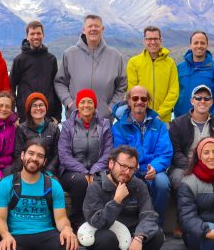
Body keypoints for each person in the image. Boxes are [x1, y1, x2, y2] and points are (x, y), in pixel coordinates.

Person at [0, 140, 78, 250]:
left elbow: (60, 219)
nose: (34, 158)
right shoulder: (7, 184)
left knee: (70, 244)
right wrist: (5, 235)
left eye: (40, 156)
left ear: (45, 161)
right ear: (22, 155)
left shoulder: (52, 185)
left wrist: (67, 229)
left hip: (45, 233)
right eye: (31, 153)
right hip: (18, 235)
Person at [83, 145, 164, 250]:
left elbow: (149, 214)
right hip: (104, 239)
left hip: (130, 238)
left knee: (157, 235)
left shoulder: (138, 185)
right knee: (107, 238)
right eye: (123, 166)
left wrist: (139, 237)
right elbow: (96, 222)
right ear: (111, 164)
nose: (127, 171)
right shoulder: (95, 187)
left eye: (131, 168)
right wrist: (116, 201)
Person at [167, 85, 214, 222]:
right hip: (185, 165)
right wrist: (191, 167)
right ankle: (182, 221)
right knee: (178, 179)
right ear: (192, 101)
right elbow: (174, 151)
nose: (202, 101)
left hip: (213, 163)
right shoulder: (177, 124)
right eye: (198, 98)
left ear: (211, 102)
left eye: (206, 98)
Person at [111, 86, 173, 226]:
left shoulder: (159, 125)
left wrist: (155, 168)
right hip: (130, 169)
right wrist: (132, 167)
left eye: (143, 98)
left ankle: (156, 223)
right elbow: (119, 152)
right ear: (128, 101)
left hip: (152, 169)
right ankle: (129, 225)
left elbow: (165, 152)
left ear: (148, 101)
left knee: (162, 183)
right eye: (135, 98)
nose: (139, 101)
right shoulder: (119, 127)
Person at [54, 14, 126, 120]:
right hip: (75, 118)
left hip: (104, 120)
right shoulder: (69, 54)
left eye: (96, 26)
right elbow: (60, 82)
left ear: (102, 29)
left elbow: (122, 86)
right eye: (90, 26)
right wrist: (69, 103)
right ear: (84, 30)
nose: (93, 29)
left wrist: (111, 107)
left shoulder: (115, 56)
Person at [57, 89, 113, 225]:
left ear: (94, 105)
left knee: (102, 181)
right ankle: (78, 219)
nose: (86, 105)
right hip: (72, 171)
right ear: (77, 105)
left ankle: (101, 218)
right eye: (82, 102)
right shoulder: (67, 126)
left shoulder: (104, 125)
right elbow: (64, 155)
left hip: (98, 169)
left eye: (90, 102)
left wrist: (94, 170)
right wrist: (83, 170)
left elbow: (108, 151)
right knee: (80, 181)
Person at [10, 20, 62, 123]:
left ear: (43, 35)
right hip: (25, 117)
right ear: (27, 36)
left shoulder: (51, 59)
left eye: (38, 33)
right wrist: (13, 115)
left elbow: (56, 87)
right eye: (32, 34)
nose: (36, 36)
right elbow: (11, 87)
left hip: (47, 116)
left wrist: (57, 116)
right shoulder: (19, 60)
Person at [126, 26, 179, 122]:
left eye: (155, 39)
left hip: (163, 120)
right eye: (149, 39)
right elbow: (132, 91)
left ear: (161, 40)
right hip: (140, 118)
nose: (153, 42)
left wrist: (159, 114)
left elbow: (173, 92)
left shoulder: (170, 63)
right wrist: (144, 113)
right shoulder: (134, 63)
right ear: (144, 41)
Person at [174, 31, 214, 119]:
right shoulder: (179, 68)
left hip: (207, 122)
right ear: (190, 45)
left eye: (202, 43)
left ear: (207, 45)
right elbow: (172, 93)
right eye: (196, 43)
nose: (199, 46)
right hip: (181, 121)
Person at [11, 92, 60, 175]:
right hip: (28, 168)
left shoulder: (54, 128)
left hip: (49, 170)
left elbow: (57, 153)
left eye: (41, 105)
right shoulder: (22, 129)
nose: (38, 108)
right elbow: (18, 153)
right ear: (29, 109)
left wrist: (50, 170)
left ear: (46, 107)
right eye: (34, 105)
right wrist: (27, 170)